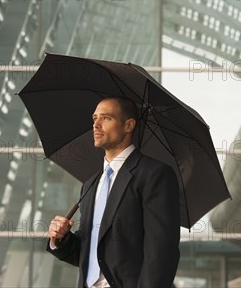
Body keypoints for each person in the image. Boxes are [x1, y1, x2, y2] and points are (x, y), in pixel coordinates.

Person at [47, 96, 180, 288]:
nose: (96, 125)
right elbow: (91, 253)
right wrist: (60, 239)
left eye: (106, 118)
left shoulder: (155, 175)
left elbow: (161, 251)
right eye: (94, 118)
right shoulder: (91, 184)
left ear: (129, 125)